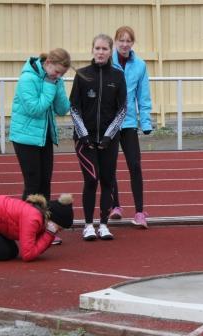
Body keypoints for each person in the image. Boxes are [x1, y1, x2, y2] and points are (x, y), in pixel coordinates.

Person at [9, 48, 72, 246]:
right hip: (25, 138)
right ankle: (25, 227)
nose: (58, 75)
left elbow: (62, 109)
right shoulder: (28, 78)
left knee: (45, 183)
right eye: (57, 71)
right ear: (48, 63)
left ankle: (40, 226)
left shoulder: (53, 80)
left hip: (44, 137)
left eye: (62, 74)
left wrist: (57, 85)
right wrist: (49, 85)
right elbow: (35, 109)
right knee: (33, 184)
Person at [70, 34, 127, 241]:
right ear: (92, 50)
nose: (100, 52)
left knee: (107, 180)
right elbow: (74, 107)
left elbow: (122, 110)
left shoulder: (118, 76)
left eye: (104, 49)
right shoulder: (82, 74)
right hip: (85, 140)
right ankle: (87, 225)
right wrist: (84, 134)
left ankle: (103, 224)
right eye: (97, 48)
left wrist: (108, 136)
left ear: (110, 51)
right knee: (91, 179)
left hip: (108, 140)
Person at [109, 26, 153, 228]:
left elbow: (143, 96)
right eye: (121, 40)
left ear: (132, 43)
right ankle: (115, 206)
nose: (125, 44)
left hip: (128, 123)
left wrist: (145, 122)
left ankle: (139, 212)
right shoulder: (107, 62)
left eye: (128, 41)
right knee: (109, 167)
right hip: (108, 124)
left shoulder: (140, 65)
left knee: (135, 165)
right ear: (115, 41)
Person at [0, 193, 74, 261]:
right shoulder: (33, 219)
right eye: (59, 228)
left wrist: (49, 234)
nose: (58, 231)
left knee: (12, 252)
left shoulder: (40, 216)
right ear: (53, 221)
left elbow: (35, 246)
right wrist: (49, 233)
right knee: (4, 252)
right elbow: (27, 255)